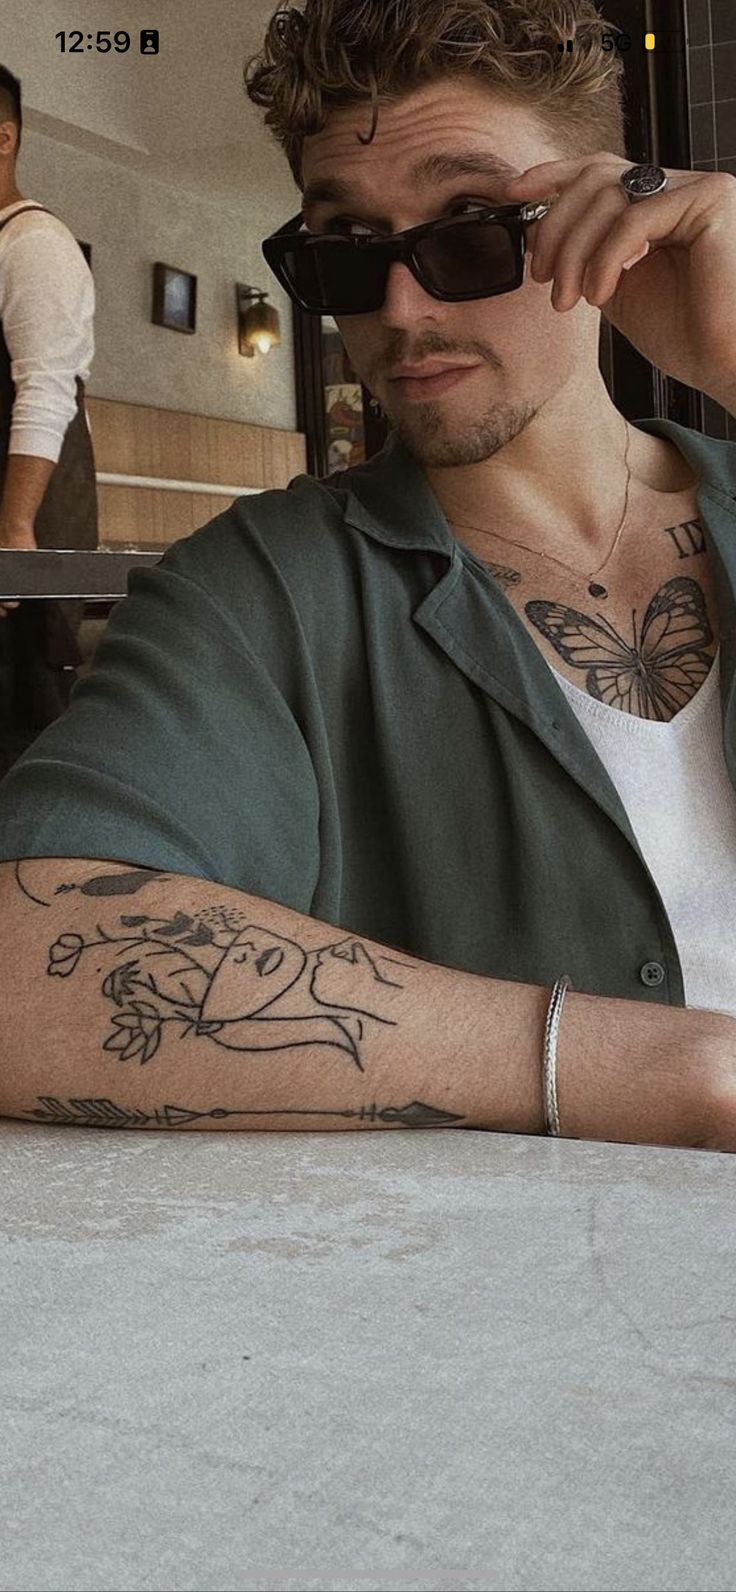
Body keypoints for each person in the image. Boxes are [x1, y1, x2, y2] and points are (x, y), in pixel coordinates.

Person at [0, 0, 736, 1150]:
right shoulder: (258, 595)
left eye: (472, 227)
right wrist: (665, 1068)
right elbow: (24, 958)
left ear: (613, 215)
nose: (403, 311)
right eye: (346, 251)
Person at [0, 64, 98, 777]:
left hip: (16, 540)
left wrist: (15, 542)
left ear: (3, 139)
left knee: (20, 737)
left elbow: (45, 394)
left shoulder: (33, 245)